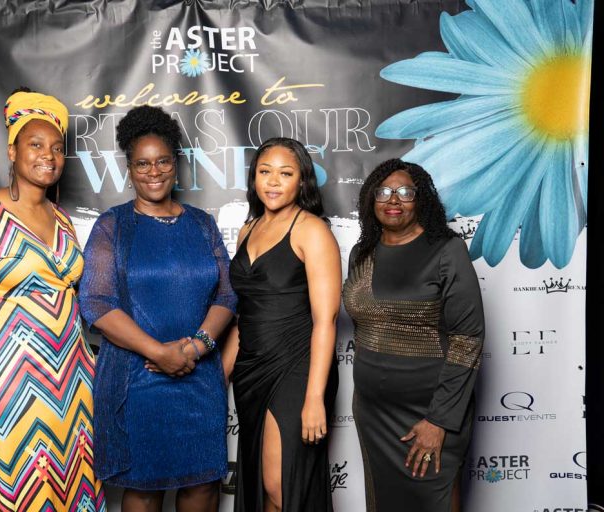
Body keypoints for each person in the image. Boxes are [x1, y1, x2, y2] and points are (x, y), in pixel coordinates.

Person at [0, 89, 105, 511]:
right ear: (12, 151)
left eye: (57, 148)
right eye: (35, 144)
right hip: (8, 395)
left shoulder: (63, 221)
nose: (48, 155)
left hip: (73, 391)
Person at [78, 105, 236, 512]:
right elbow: (96, 301)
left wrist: (196, 347)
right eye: (143, 163)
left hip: (199, 377)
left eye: (163, 161)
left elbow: (226, 295)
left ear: (176, 164)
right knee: (145, 488)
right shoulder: (112, 225)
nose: (154, 171)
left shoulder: (201, 223)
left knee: (203, 483)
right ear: (129, 169)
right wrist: (159, 353)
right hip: (137, 379)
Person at [342, 158, 484, 512]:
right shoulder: (362, 253)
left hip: (431, 411)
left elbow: (467, 338)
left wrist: (439, 420)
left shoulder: (446, 250)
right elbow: (366, 324)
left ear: (421, 199)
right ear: (371, 198)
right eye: (384, 192)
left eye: (405, 192)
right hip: (374, 413)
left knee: (433, 499)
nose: (394, 200)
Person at [222, 137, 341, 512]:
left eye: (285, 173)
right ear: (254, 177)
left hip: (297, 368)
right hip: (251, 371)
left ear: (301, 181)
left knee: (281, 486)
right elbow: (244, 314)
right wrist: (220, 376)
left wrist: (314, 398)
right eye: (265, 171)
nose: (273, 181)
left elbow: (326, 320)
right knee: (263, 485)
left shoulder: (312, 231)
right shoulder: (248, 230)